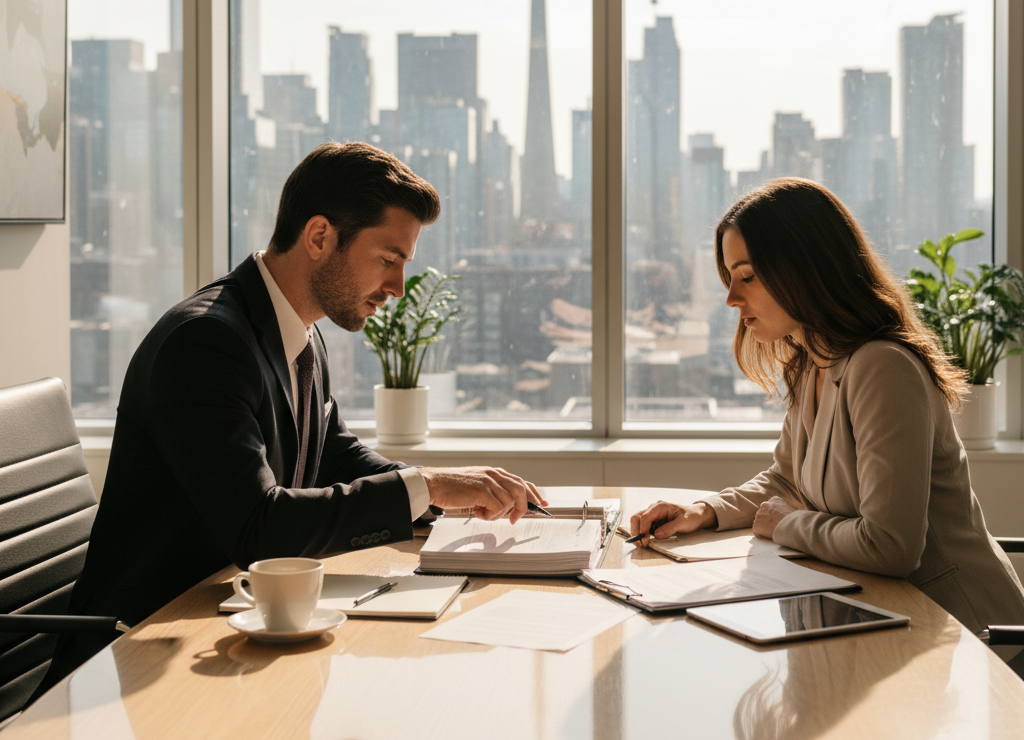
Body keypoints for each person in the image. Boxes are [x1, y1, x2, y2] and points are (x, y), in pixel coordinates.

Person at [51, 142, 544, 678]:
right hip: (139, 650)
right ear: (319, 237)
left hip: (226, 626)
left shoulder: (299, 333)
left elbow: (333, 454)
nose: (398, 288)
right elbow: (258, 529)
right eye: (388, 260)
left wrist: (438, 497)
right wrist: (427, 484)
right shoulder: (206, 342)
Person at [629, 177, 1024, 634]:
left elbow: (890, 546)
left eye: (747, 276)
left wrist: (788, 525)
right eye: (730, 278)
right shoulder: (810, 364)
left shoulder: (883, 368)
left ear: (803, 269)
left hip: (970, 638)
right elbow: (785, 480)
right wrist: (703, 511)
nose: (732, 298)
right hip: (887, 617)